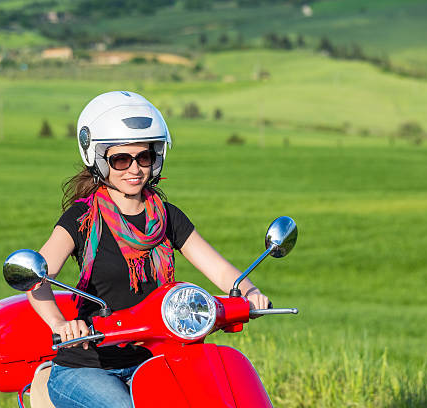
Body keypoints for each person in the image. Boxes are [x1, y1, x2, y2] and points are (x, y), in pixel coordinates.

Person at [27, 91, 270, 408]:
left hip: (157, 357)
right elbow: (36, 276)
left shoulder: (167, 217)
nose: (134, 169)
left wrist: (249, 292)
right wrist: (61, 325)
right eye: (120, 159)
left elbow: (220, 269)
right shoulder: (82, 217)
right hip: (87, 366)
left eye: (144, 157)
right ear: (100, 160)